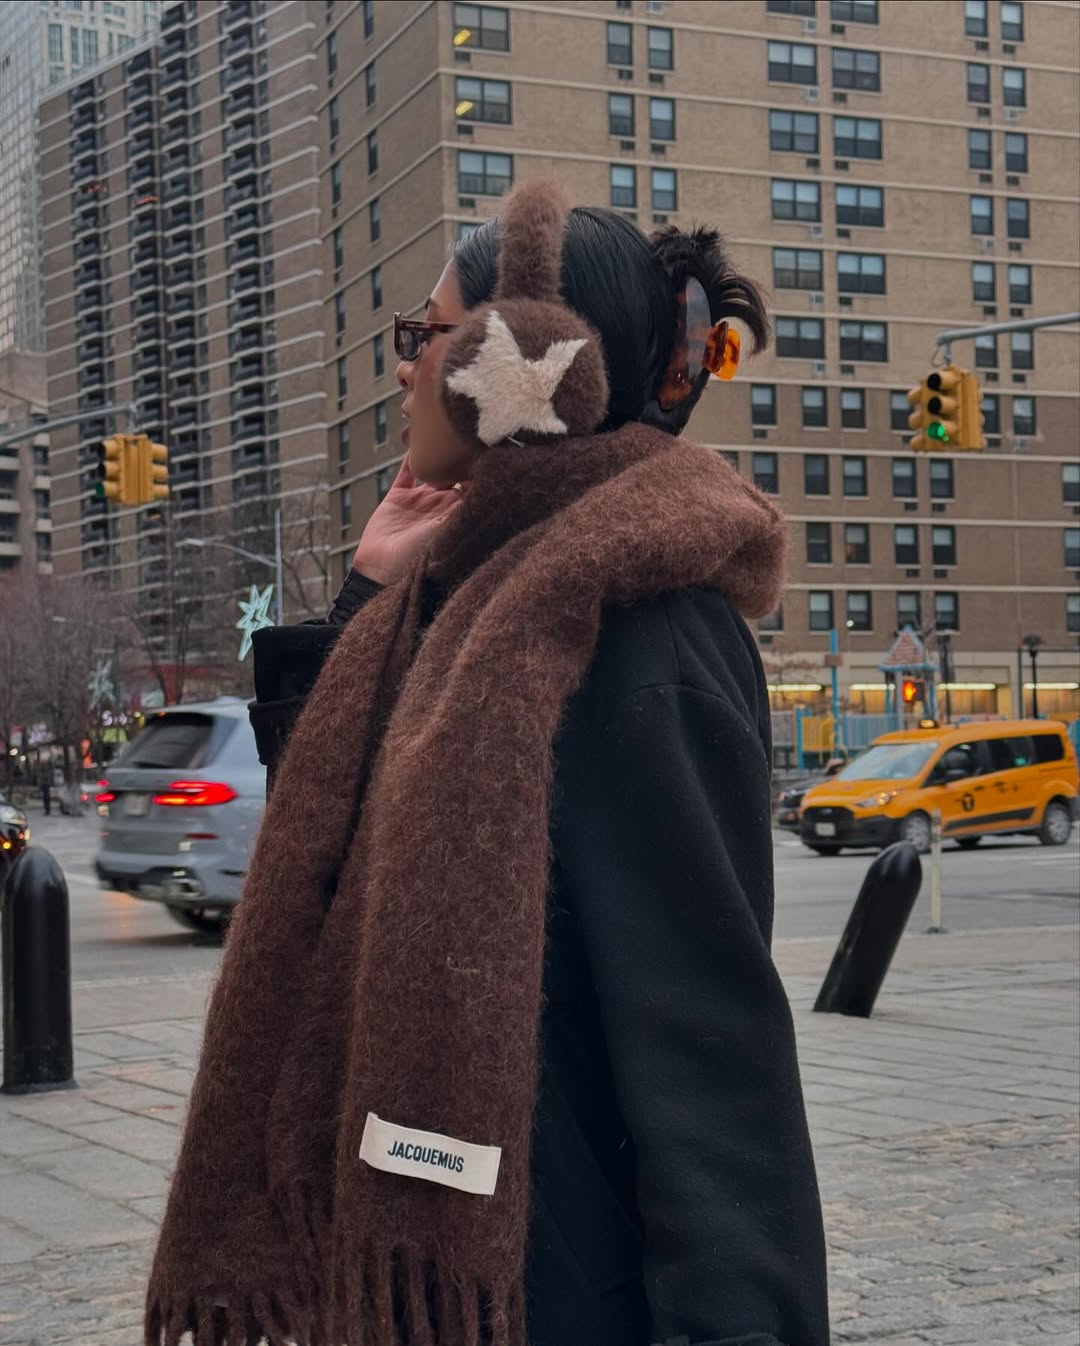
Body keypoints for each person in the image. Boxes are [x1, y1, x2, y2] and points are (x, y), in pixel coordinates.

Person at [145, 181, 829, 1346]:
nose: (405, 369)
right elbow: (336, 852)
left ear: (530, 369)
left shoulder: (640, 630)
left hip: (549, 1295)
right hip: (445, 1286)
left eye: (427, 335)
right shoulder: (464, 595)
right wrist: (366, 593)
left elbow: (712, 1059)